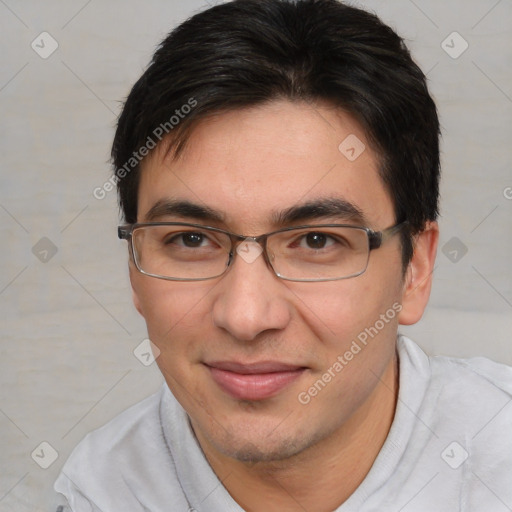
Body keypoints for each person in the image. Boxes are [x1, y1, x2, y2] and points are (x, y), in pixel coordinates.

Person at [53, 0, 512, 510]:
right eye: (190, 240)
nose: (246, 316)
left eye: (317, 241)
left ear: (415, 271)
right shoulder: (101, 493)